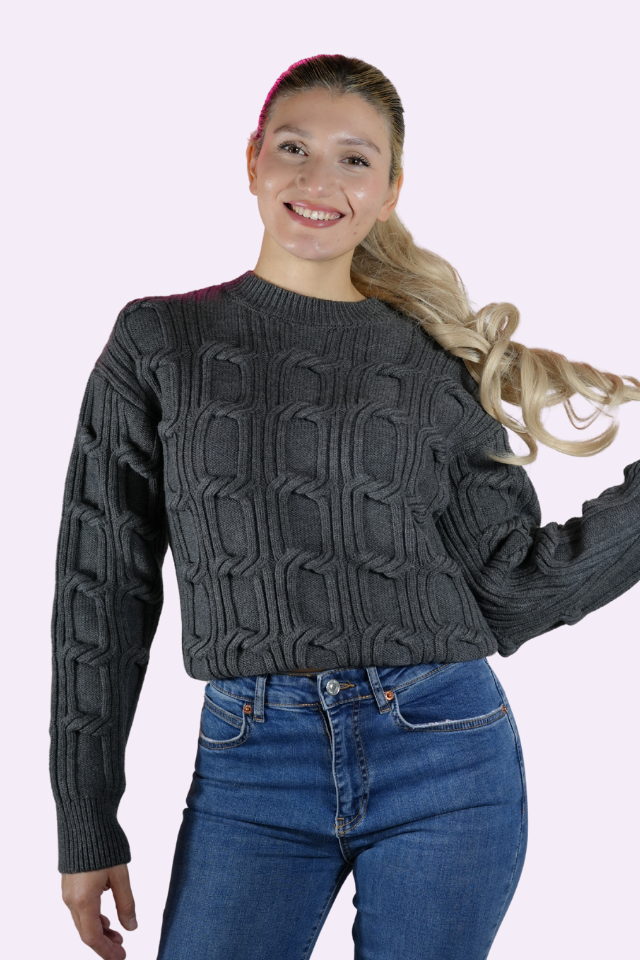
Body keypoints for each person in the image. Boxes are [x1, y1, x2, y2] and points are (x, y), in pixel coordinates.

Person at [50, 54, 640, 960]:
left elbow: (511, 590)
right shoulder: (158, 340)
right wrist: (87, 820)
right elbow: (102, 592)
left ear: (390, 189)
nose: (319, 179)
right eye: (294, 147)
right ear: (252, 160)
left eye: (355, 159)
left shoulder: (429, 362)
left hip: (443, 752)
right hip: (251, 764)